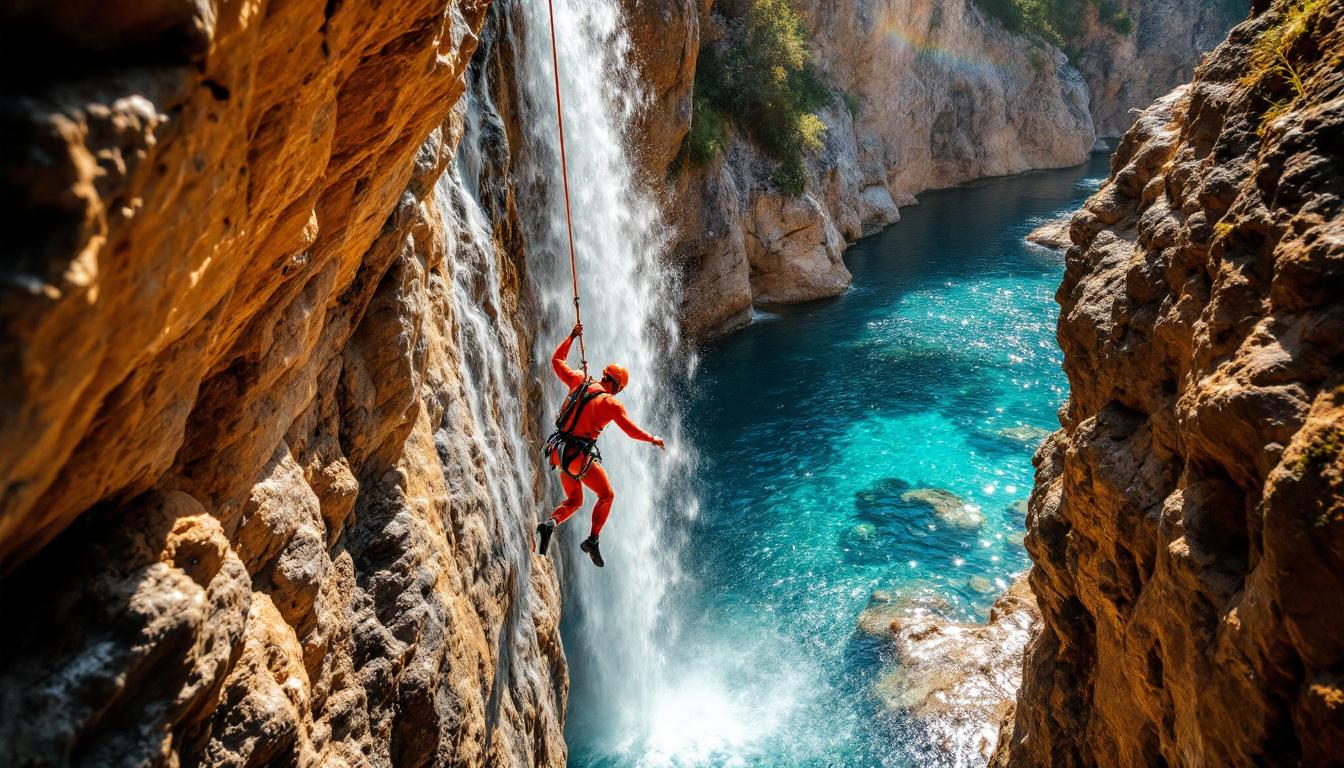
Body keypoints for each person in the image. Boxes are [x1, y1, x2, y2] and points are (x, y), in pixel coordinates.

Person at [536, 323, 664, 567]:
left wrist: (572, 337)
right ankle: (593, 540)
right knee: (606, 495)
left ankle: (550, 524)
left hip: (557, 452)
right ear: (618, 388)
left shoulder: (580, 380)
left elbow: (556, 360)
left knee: (575, 501)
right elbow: (631, 431)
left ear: (604, 375)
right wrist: (652, 438)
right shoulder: (611, 404)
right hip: (576, 457)